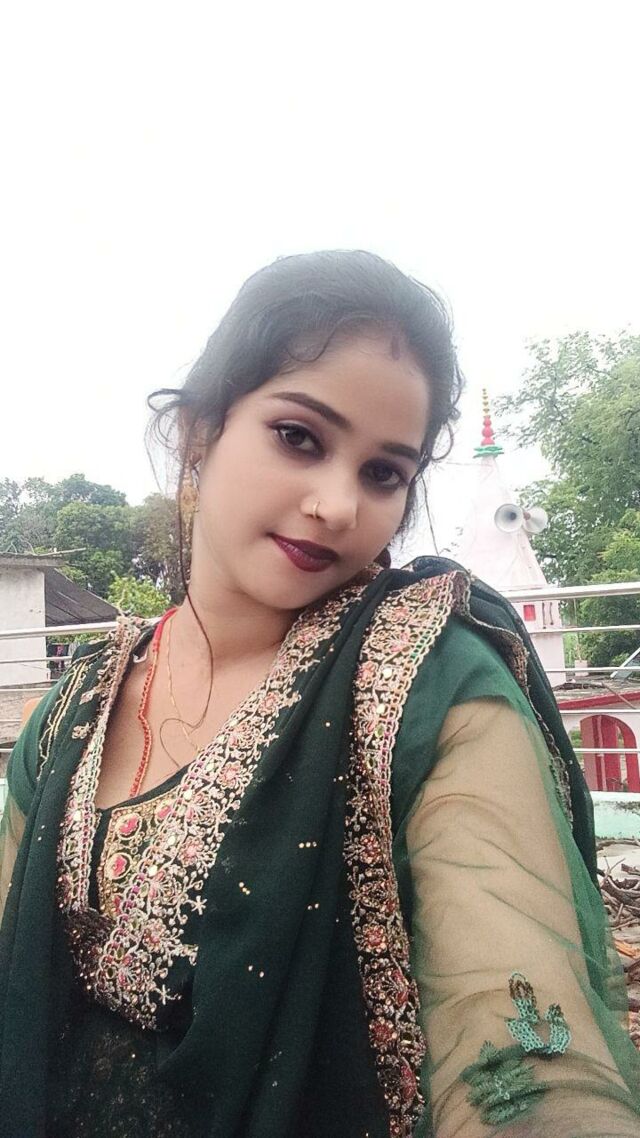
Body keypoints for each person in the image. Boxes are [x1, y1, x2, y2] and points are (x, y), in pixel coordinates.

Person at [0, 251, 638, 1138]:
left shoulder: (426, 683)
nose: (338, 505)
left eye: (384, 474)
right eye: (300, 437)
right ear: (199, 431)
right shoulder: (72, 711)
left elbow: (516, 1033)